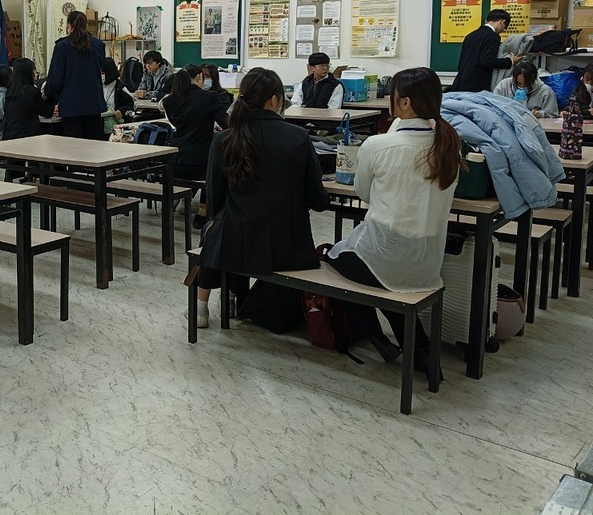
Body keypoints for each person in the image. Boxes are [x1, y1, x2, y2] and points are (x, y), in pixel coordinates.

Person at [327, 67, 463, 373]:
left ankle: (372, 334)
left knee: (332, 260)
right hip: (428, 263)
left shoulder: (378, 145)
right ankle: (420, 351)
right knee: (387, 277)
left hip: (386, 258)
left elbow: (363, 193)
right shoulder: (449, 146)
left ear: (405, 103)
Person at [195, 68, 329, 328]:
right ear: (275, 100)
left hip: (237, 245)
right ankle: (237, 300)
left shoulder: (224, 140)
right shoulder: (298, 137)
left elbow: (214, 200)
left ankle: (212, 305)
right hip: (289, 248)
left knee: (217, 230)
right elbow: (319, 201)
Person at [44, 10, 107, 140]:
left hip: (71, 106)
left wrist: (48, 94)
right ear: (86, 25)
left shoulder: (62, 47)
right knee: (95, 146)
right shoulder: (98, 45)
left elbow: (55, 80)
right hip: (94, 104)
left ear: (68, 25)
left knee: (74, 147)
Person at [161, 64, 230, 181]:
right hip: (202, 162)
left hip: (175, 160)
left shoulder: (168, 101)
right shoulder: (209, 97)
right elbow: (227, 125)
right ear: (199, 76)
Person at [450, 9, 522, 92]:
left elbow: (460, 64)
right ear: (502, 22)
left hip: (460, 83)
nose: (502, 31)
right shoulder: (493, 36)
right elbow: (488, 61)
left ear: (486, 21)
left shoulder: (470, 35)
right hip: (476, 87)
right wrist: (510, 61)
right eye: (504, 29)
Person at [2, 57, 55, 140]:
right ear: (30, 73)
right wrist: (50, 95)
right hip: (27, 136)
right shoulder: (32, 92)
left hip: (10, 135)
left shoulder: (10, 91)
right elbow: (47, 112)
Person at [493, 61, 559, 118]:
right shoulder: (503, 86)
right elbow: (492, 106)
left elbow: (553, 115)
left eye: (527, 84)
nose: (522, 87)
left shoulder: (545, 92)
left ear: (534, 79)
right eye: (519, 83)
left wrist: (540, 114)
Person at [102, 58, 134, 137]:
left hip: (116, 126)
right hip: (99, 125)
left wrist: (121, 111)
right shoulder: (97, 86)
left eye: (103, 73)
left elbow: (132, 104)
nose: (101, 76)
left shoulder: (121, 87)